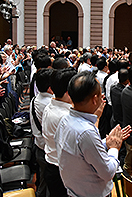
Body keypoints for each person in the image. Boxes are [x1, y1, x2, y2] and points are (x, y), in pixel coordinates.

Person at [55, 71, 132, 197]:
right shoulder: (86, 132)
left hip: (75, 191)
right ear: (95, 99)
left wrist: (105, 143)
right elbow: (108, 173)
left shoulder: (65, 120)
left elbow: (81, 152)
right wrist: (114, 148)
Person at [42, 68, 77, 197]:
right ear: (69, 92)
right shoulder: (65, 117)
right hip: (61, 171)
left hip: (52, 164)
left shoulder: (50, 106)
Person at [29, 68, 55, 197]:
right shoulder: (49, 104)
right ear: (51, 87)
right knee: (49, 185)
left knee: (44, 182)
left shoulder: (35, 99)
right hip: (47, 148)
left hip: (39, 145)